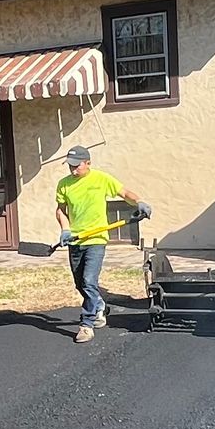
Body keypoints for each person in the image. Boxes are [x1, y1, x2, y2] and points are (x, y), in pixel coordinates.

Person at [52, 145, 148, 344]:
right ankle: (99, 305)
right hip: (75, 240)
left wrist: (139, 202)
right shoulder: (64, 184)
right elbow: (61, 210)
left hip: (96, 240)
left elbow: (125, 193)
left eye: (76, 166)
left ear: (88, 163)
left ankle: (86, 325)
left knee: (88, 281)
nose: (73, 170)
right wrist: (65, 230)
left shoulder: (101, 179)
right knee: (80, 284)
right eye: (70, 166)